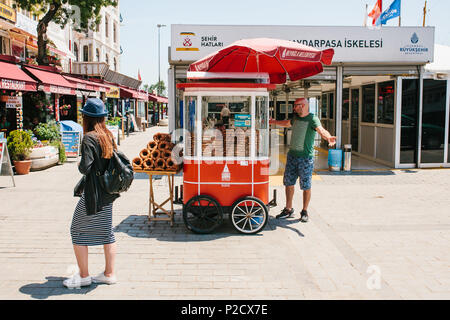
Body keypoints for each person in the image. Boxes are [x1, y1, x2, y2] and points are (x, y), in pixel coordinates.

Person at [63, 98, 120, 289]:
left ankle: (84, 276)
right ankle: (109, 274)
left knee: (76, 230)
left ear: (86, 118)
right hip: (108, 193)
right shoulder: (108, 135)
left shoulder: (89, 138)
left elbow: (85, 167)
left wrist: (81, 161)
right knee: (106, 232)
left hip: (93, 193)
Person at [270, 98, 336, 223]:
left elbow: (321, 130)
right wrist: (272, 121)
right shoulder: (296, 118)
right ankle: (288, 209)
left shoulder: (312, 118)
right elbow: (286, 123)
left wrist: (328, 137)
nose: (294, 108)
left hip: (305, 158)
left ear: (304, 105)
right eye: (294, 106)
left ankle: (304, 211)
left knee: (306, 185)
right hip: (292, 156)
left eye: (296, 106)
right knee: (288, 183)